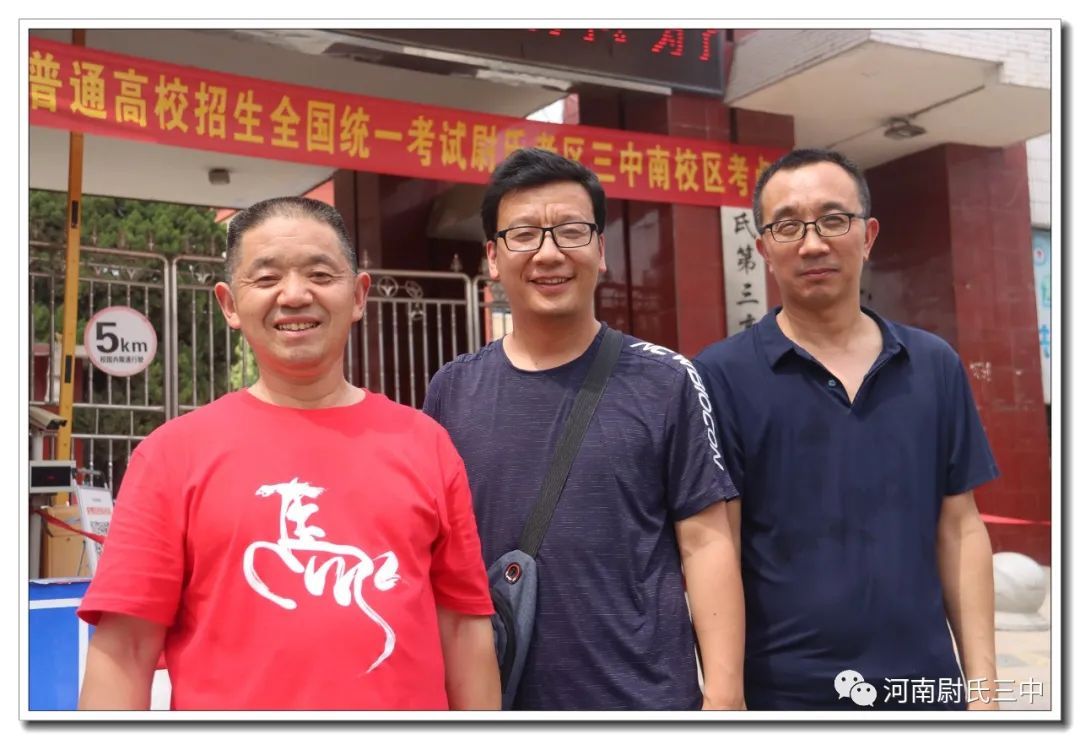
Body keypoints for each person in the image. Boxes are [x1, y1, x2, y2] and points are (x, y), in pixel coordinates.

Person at [77, 197, 500, 711]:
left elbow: (462, 628)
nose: (295, 295)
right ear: (230, 305)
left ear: (358, 295)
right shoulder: (171, 456)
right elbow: (125, 649)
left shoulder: (425, 443)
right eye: (267, 278)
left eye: (320, 274)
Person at [422, 148, 744, 711]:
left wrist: (724, 697)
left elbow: (706, 542)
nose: (549, 254)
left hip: (643, 702)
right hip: (499, 704)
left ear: (600, 249)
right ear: (493, 257)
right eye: (524, 235)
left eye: (571, 231)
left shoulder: (667, 380)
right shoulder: (453, 389)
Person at [694, 148, 999, 710]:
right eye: (787, 225)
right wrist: (725, 696)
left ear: (868, 235)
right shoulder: (718, 375)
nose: (812, 244)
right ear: (763, 249)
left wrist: (983, 691)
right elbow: (717, 545)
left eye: (833, 219)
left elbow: (960, 528)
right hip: (783, 698)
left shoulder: (932, 364)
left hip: (926, 692)